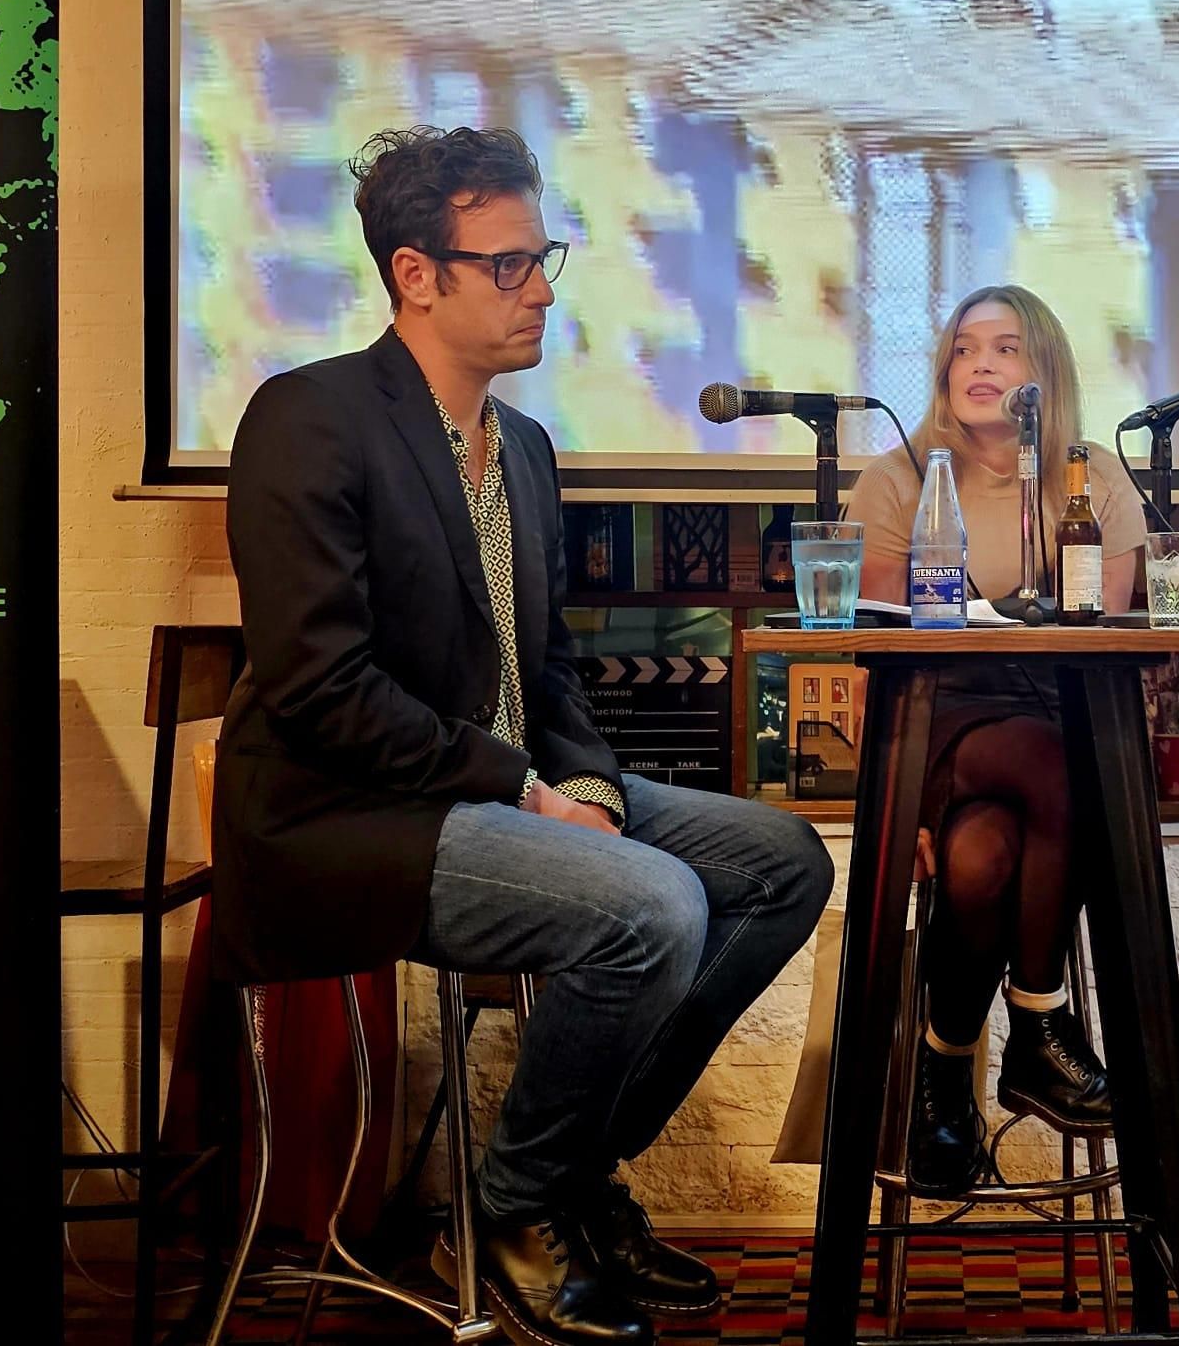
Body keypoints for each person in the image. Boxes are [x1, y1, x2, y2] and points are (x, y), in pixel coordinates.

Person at [215, 126, 832, 1344]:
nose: (542, 286)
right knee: (651, 905)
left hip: (502, 789)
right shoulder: (310, 417)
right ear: (416, 274)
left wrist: (586, 780)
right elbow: (318, 688)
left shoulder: (527, 452)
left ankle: (558, 1181)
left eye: (541, 256)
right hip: (346, 816)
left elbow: (544, 671)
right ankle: (511, 1208)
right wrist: (521, 787)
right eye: (509, 263)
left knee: (780, 863)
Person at [846, 284, 1148, 1194]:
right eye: (965, 348)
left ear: (1043, 371)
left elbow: (1110, 629)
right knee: (1046, 771)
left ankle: (944, 1078)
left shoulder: (1087, 473)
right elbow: (880, 646)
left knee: (986, 855)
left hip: (1051, 720)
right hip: (936, 723)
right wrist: (901, 811)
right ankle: (1038, 1023)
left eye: (1005, 349)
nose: (979, 365)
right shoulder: (897, 475)